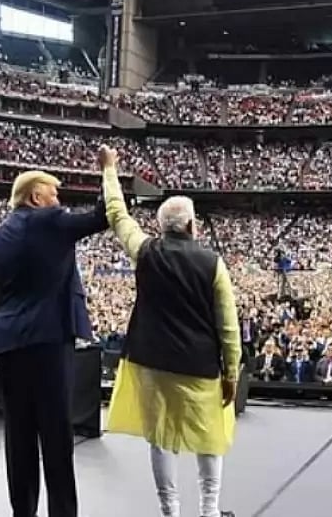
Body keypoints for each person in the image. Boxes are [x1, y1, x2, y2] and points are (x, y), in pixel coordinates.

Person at [98, 146, 241, 517]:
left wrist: (110, 170)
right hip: (199, 364)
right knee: (210, 436)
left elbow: (117, 214)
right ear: (192, 225)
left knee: (160, 439)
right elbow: (228, 326)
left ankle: (170, 512)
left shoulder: (145, 251)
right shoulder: (213, 263)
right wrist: (231, 373)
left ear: (161, 227)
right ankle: (209, 511)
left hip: (152, 361)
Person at [0, 167, 108, 517]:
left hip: (6, 344)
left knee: (18, 435)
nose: (58, 201)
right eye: (54, 194)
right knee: (56, 435)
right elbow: (102, 216)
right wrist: (109, 171)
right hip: (48, 341)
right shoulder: (50, 221)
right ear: (36, 197)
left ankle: (23, 511)